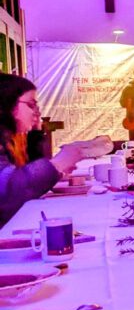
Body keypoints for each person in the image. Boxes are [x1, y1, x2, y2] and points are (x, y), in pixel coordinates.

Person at [0, 74, 91, 226]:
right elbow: (8, 191)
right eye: (30, 104)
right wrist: (57, 164)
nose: (36, 112)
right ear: (6, 104)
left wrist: (35, 134)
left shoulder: (11, 139)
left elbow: (25, 172)